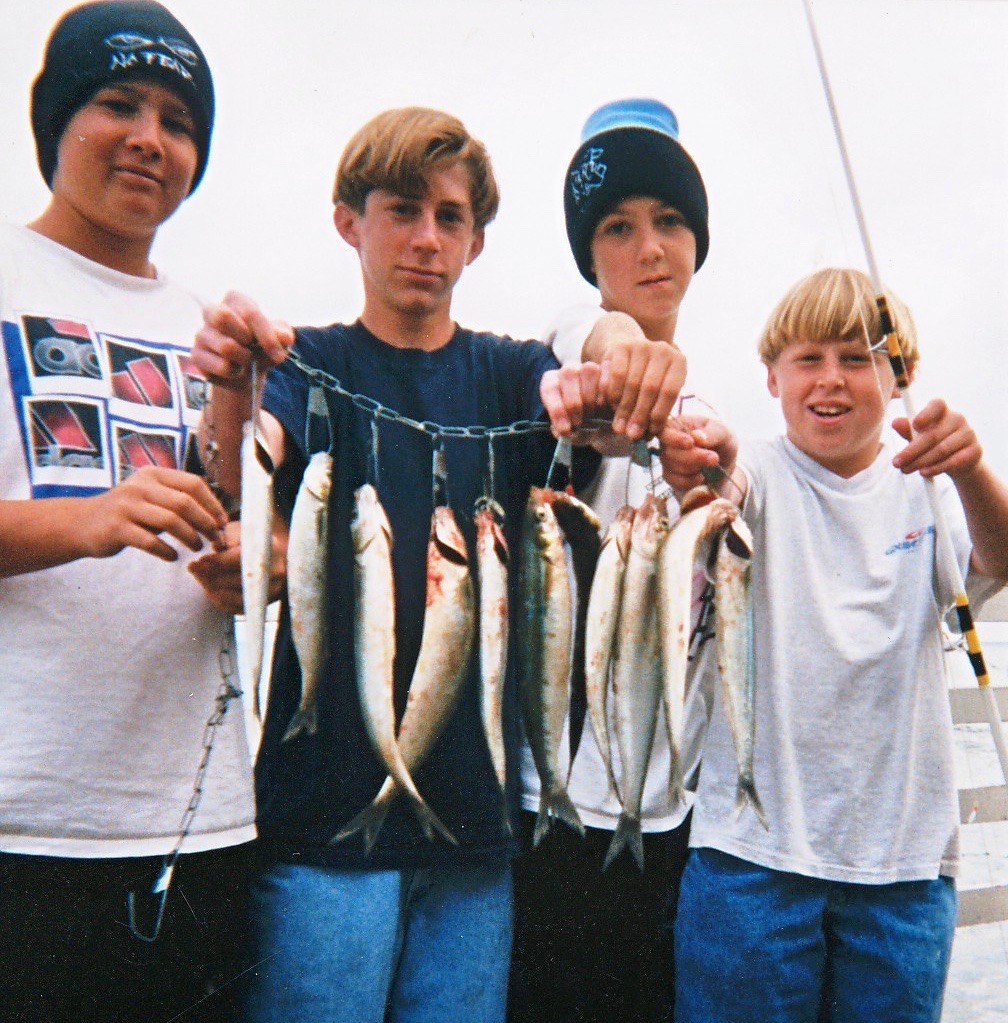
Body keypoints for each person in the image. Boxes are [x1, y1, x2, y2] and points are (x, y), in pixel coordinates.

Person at [190, 104, 684, 1023]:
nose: (426, 238)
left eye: (449, 218)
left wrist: (621, 365)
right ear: (350, 221)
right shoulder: (306, 363)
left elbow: (596, 398)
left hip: (475, 833)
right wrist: (229, 392)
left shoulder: (508, 373)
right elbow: (236, 483)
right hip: (323, 832)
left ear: (477, 242)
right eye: (401, 210)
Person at [0, 3, 265, 1022]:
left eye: (179, 118)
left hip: (197, 828)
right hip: (26, 828)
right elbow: (110, 520)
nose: (152, 137)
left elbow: (224, 514)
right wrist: (88, 519)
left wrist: (253, 557)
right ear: (54, 122)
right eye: (119, 104)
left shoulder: (204, 322)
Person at [660, 267, 1008, 1023]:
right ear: (771, 377)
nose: (832, 380)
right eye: (809, 358)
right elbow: (724, 483)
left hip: (905, 871)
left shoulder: (929, 485)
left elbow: (1000, 559)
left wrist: (975, 465)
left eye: (859, 358)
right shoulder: (754, 472)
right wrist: (708, 474)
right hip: (749, 860)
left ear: (899, 378)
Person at [508, 98, 713, 1023]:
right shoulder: (562, 364)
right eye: (618, 228)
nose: (650, 247)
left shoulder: (710, 424)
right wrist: (617, 351)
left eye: (671, 221)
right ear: (590, 257)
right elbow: (587, 337)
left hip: (672, 816)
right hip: (556, 810)